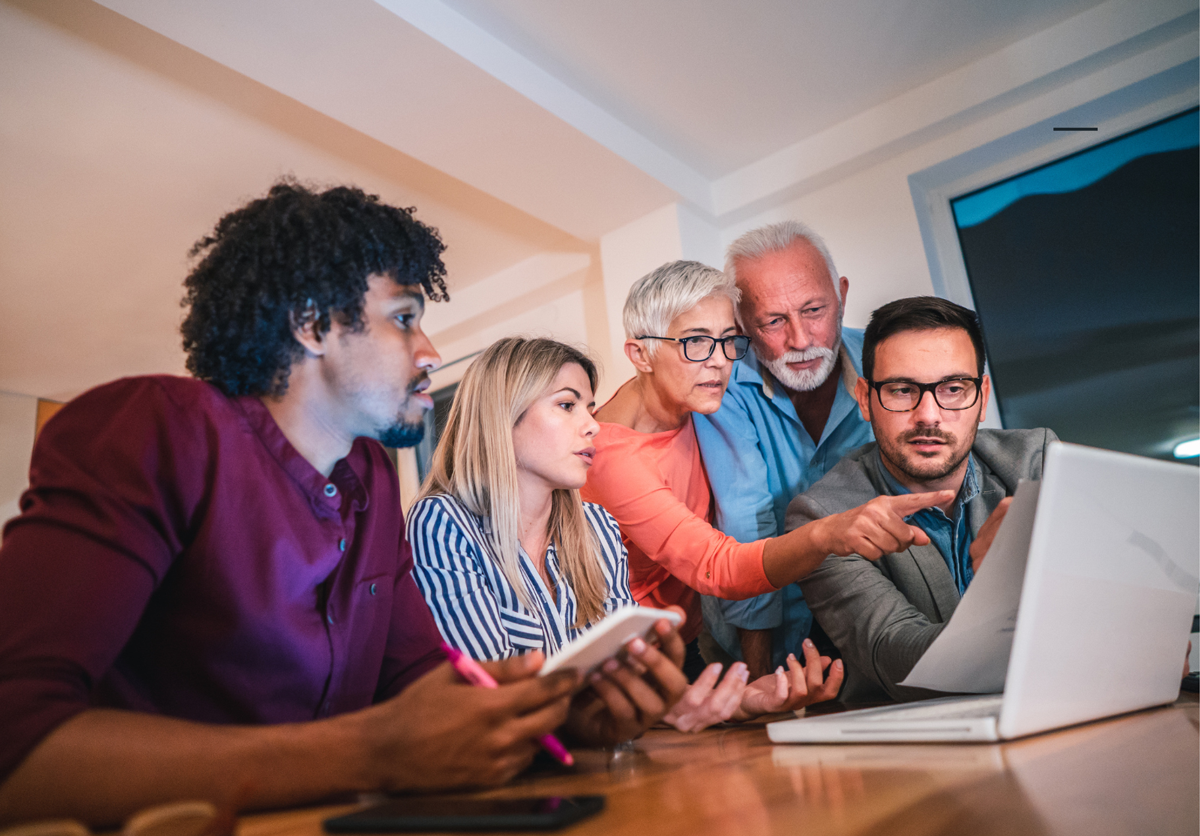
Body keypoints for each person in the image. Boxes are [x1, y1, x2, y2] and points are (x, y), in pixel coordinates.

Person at [0, 182, 584, 827]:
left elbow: (418, 686)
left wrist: (574, 713)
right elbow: (15, 737)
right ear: (311, 324)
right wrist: (370, 753)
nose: (430, 353)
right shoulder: (159, 428)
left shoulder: (371, 479)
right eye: (403, 318)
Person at [581, 261, 950, 729]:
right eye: (696, 342)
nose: (718, 360)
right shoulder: (612, 456)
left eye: (728, 340)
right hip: (625, 660)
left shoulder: (691, 400)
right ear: (641, 354)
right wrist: (827, 535)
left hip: (683, 636)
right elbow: (717, 566)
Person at [408, 337, 689, 743]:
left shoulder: (598, 528)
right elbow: (496, 701)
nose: (594, 425)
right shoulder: (442, 523)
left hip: (603, 760)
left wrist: (690, 701)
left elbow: (627, 676)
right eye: (567, 405)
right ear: (503, 416)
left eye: (590, 408)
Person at [792, 296, 1057, 702]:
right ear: (865, 399)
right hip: (916, 752)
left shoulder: (1037, 461)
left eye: (953, 388)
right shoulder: (822, 519)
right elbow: (897, 654)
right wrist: (1011, 591)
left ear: (982, 396)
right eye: (901, 390)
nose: (928, 415)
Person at [692, 221, 874, 678]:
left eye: (814, 310)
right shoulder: (723, 385)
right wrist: (759, 680)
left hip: (878, 608)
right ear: (742, 326)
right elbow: (746, 519)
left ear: (842, 295)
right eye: (773, 321)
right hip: (767, 631)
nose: (800, 339)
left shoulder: (884, 361)